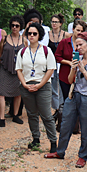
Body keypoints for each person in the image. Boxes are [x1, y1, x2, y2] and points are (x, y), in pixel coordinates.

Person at [46, 31, 87, 167]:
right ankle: (60, 152)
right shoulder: (77, 60)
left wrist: (83, 70)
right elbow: (69, 80)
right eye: (76, 45)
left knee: (85, 129)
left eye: (80, 45)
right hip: (73, 96)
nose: (77, 48)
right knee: (65, 125)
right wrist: (73, 69)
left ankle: (82, 156)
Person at [16, 23, 58, 152]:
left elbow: (51, 69)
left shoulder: (46, 50)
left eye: (35, 33)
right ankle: (36, 139)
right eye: (30, 33)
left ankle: (53, 142)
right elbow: (19, 69)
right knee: (32, 114)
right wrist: (24, 84)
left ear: (39, 35)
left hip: (43, 85)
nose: (32, 36)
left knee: (46, 115)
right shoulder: (23, 51)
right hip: (27, 86)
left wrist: (40, 85)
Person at [0, 16, 24, 127]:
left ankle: (15, 115)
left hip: (19, 70)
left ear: (20, 27)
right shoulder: (5, 38)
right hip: (6, 68)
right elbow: (1, 53)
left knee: (18, 93)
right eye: (12, 25)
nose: (14, 27)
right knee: (0, 93)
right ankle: (1, 118)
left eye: (17, 26)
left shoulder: (24, 40)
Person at [55, 20, 87, 115]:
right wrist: (68, 63)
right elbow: (57, 56)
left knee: (78, 99)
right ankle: (66, 121)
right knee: (67, 98)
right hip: (65, 75)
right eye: (77, 30)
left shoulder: (84, 45)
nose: (79, 33)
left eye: (81, 31)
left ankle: (76, 124)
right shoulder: (64, 42)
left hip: (79, 76)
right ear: (73, 29)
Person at [47, 14, 69, 126]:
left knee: (61, 87)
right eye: (52, 21)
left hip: (62, 64)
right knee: (53, 88)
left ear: (60, 23)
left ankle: (62, 109)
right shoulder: (47, 35)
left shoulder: (66, 35)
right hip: (51, 64)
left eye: (56, 22)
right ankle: (56, 110)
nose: (54, 24)